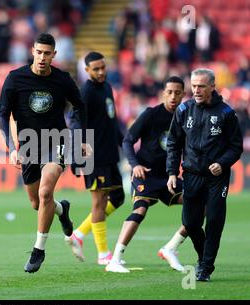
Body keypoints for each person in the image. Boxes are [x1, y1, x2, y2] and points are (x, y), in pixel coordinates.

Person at [0, 33, 89, 273]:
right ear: (32, 51)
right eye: (39, 52)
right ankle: (62, 210)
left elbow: (79, 107)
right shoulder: (15, 79)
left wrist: (78, 135)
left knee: (46, 190)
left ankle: (38, 250)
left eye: (47, 53)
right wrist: (11, 148)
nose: (42, 57)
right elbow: (2, 114)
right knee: (37, 203)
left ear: (54, 55)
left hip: (56, 141)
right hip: (27, 145)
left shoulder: (62, 80)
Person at [106, 76, 188, 273]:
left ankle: (170, 248)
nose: (173, 96)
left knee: (201, 203)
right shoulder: (151, 114)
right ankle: (115, 260)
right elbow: (127, 140)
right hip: (146, 175)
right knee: (140, 210)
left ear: (183, 95)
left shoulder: (185, 118)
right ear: (163, 94)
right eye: (169, 92)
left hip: (169, 177)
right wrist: (134, 165)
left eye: (178, 92)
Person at [166, 68, 243, 281]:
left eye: (201, 86)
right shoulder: (184, 110)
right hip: (191, 174)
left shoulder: (226, 113)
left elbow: (235, 146)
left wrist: (222, 162)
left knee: (215, 220)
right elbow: (173, 142)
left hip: (217, 177)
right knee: (190, 222)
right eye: (194, 85)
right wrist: (172, 172)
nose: (196, 90)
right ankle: (203, 256)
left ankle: (206, 267)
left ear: (212, 87)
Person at [65, 52, 125, 266]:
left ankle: (78, 234)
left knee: (118, 198)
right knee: (99, 202)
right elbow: (75, 122)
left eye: (103, 67)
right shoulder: (85, 93)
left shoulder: (107, 87)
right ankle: (103, 255)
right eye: (96, 69)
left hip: (110, 154)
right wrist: (77, 155)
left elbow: (112, 120)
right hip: (94, 155)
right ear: (87, 71)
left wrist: (124, 142)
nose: (101, 72)